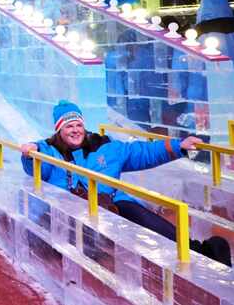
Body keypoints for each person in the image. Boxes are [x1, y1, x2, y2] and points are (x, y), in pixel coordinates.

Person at [20, 100, 231, 266]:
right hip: (73, 207)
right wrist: (30, 154)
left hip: (112, 201)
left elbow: (142, 152)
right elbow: (36, 166)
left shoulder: (104, 146)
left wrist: (179, 146)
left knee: (147, 219)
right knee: (87, 236)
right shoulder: (47, 150)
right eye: (68, 126)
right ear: (59, 130)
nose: (75, 130)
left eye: (78, 125)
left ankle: (200, 251)